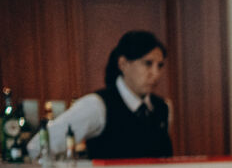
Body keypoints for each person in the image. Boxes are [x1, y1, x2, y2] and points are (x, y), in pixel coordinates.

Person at [29, 30, 172, 160]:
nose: (156, 74)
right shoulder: (97, 105)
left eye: (160, 65)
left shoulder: (162, 107)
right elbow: (37, 147)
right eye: (148, 63)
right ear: (123, 64)